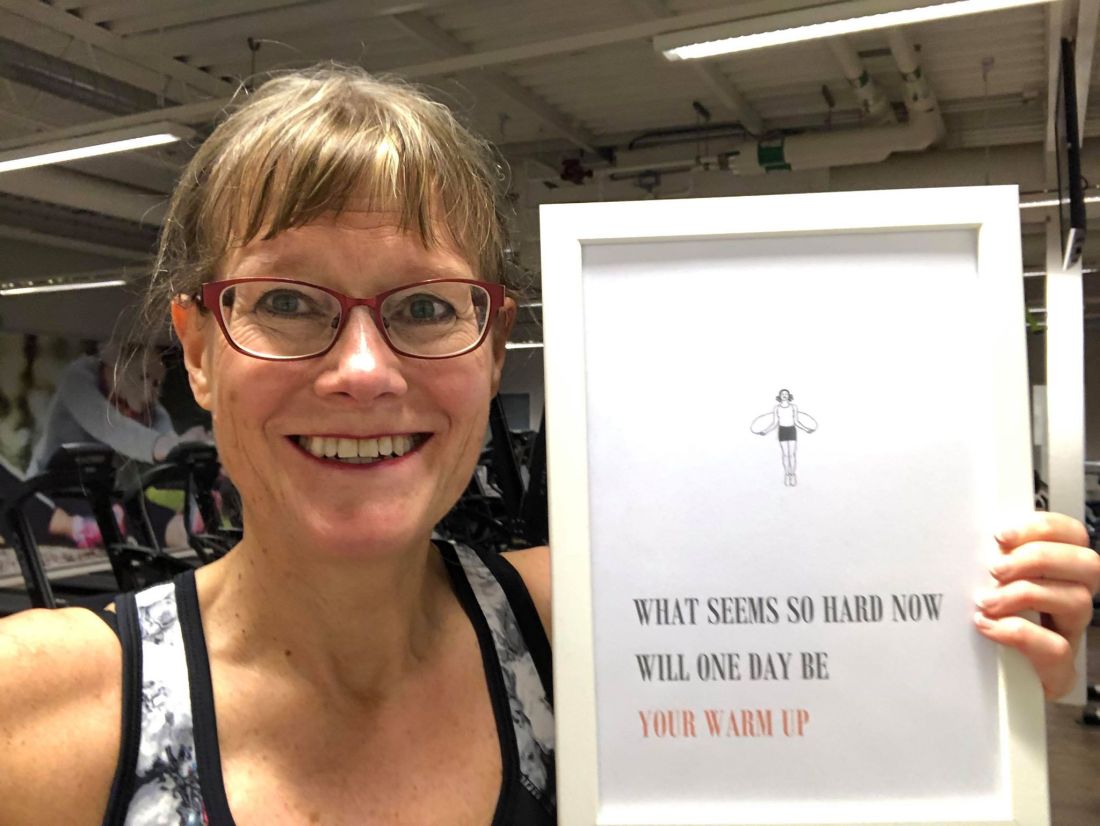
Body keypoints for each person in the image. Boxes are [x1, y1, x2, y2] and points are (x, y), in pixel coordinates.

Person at [0, 66, 1094, 825]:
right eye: (287, 301)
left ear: (492, 348)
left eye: (425, 308)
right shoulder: (42, 712)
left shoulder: (598, 630)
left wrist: (967, 667)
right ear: (198, 350)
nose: (364, 370)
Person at [25, 341, 207, 548]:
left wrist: (193, 450)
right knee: (120, 514)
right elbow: (113, 429)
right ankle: (84, 529)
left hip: (104, 494)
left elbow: (170, 444)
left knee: (144, 512)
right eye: (143, 377)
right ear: (116, 366)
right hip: (54, 490)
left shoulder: (143, 404)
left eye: (156, 383)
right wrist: (166, 445)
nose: (149, 393)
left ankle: (186, 530)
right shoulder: (77, 379)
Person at [751, 388, 817, 486]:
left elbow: (797, 422)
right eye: (782, 394)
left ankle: (792, 475)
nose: (784, 395)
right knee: (785, 454)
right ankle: (787, 474)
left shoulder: (793, 407)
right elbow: (774, 423)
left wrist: (806, 429)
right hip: (782, 431)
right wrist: (765, 431)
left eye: (786, 394)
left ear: (789, 396)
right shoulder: (776, 408)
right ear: (780, 396)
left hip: (791, 430)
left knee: (792, 454)